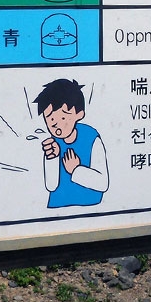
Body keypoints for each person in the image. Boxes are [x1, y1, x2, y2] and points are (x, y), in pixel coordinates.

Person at [35, 78, 109, 208]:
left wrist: (76, 170)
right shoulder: (53, 144)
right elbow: (51, 186)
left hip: (92, 207)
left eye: (63, 117)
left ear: (79, 114)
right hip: (59, 207)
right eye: (50, 118)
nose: (56, 124)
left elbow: (103, 183)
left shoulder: (91, 138)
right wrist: (52, 158)